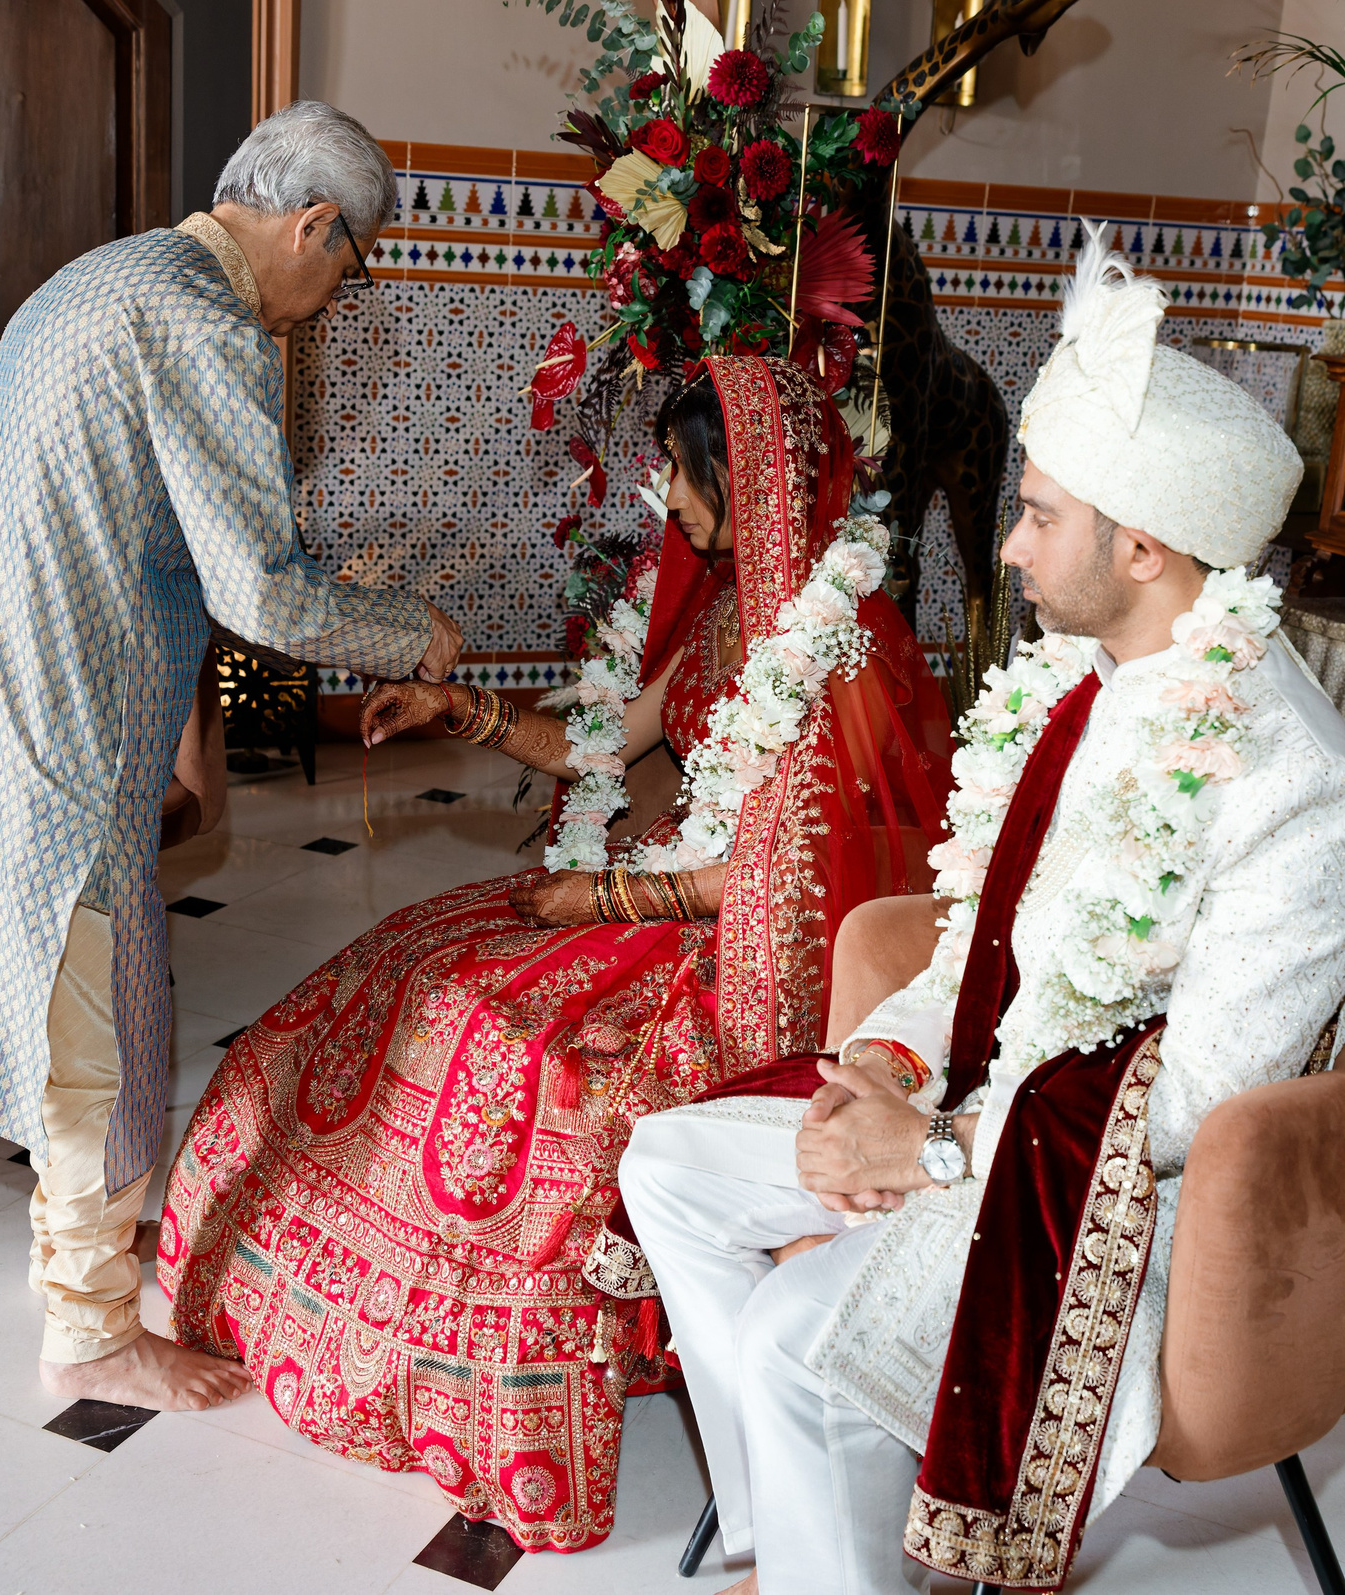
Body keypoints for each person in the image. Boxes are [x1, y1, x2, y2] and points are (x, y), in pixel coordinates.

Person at [615, 225, 1345, 1595]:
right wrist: (883, 1061)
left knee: (800, 1330)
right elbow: (981, 939)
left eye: (1037, 513)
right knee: (665, 1164)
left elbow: (1205, 1095)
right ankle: (779, 1543)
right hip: (972, 1106)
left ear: (1143, 545)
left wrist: (932, 1147)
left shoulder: (1305, 786)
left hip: (1112, 1204)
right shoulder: (1080, 677)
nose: (1010, 544)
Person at [154, 355, 954, 1551]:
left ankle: (502, 1397)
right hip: (649, 892)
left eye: (683, 477)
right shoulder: (735, 605)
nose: (668, 501)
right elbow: (602, 744)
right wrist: (460, 709)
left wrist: (607, 896)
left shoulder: (842, 648)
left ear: (747, 484)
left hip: (735, 946)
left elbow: (801, 871)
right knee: (411, 961)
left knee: (504, 1038)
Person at [0, 101, 464, 1415]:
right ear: (311, 225)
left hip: (14, 671)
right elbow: (267, 596)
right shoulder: (201, 313)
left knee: (87, 985)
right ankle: (91, 1328)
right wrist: (417, 636)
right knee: (91, 1007)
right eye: (340, 271)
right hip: (73, 704)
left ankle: (75, 1255)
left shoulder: (102, 274)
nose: (322, 305)